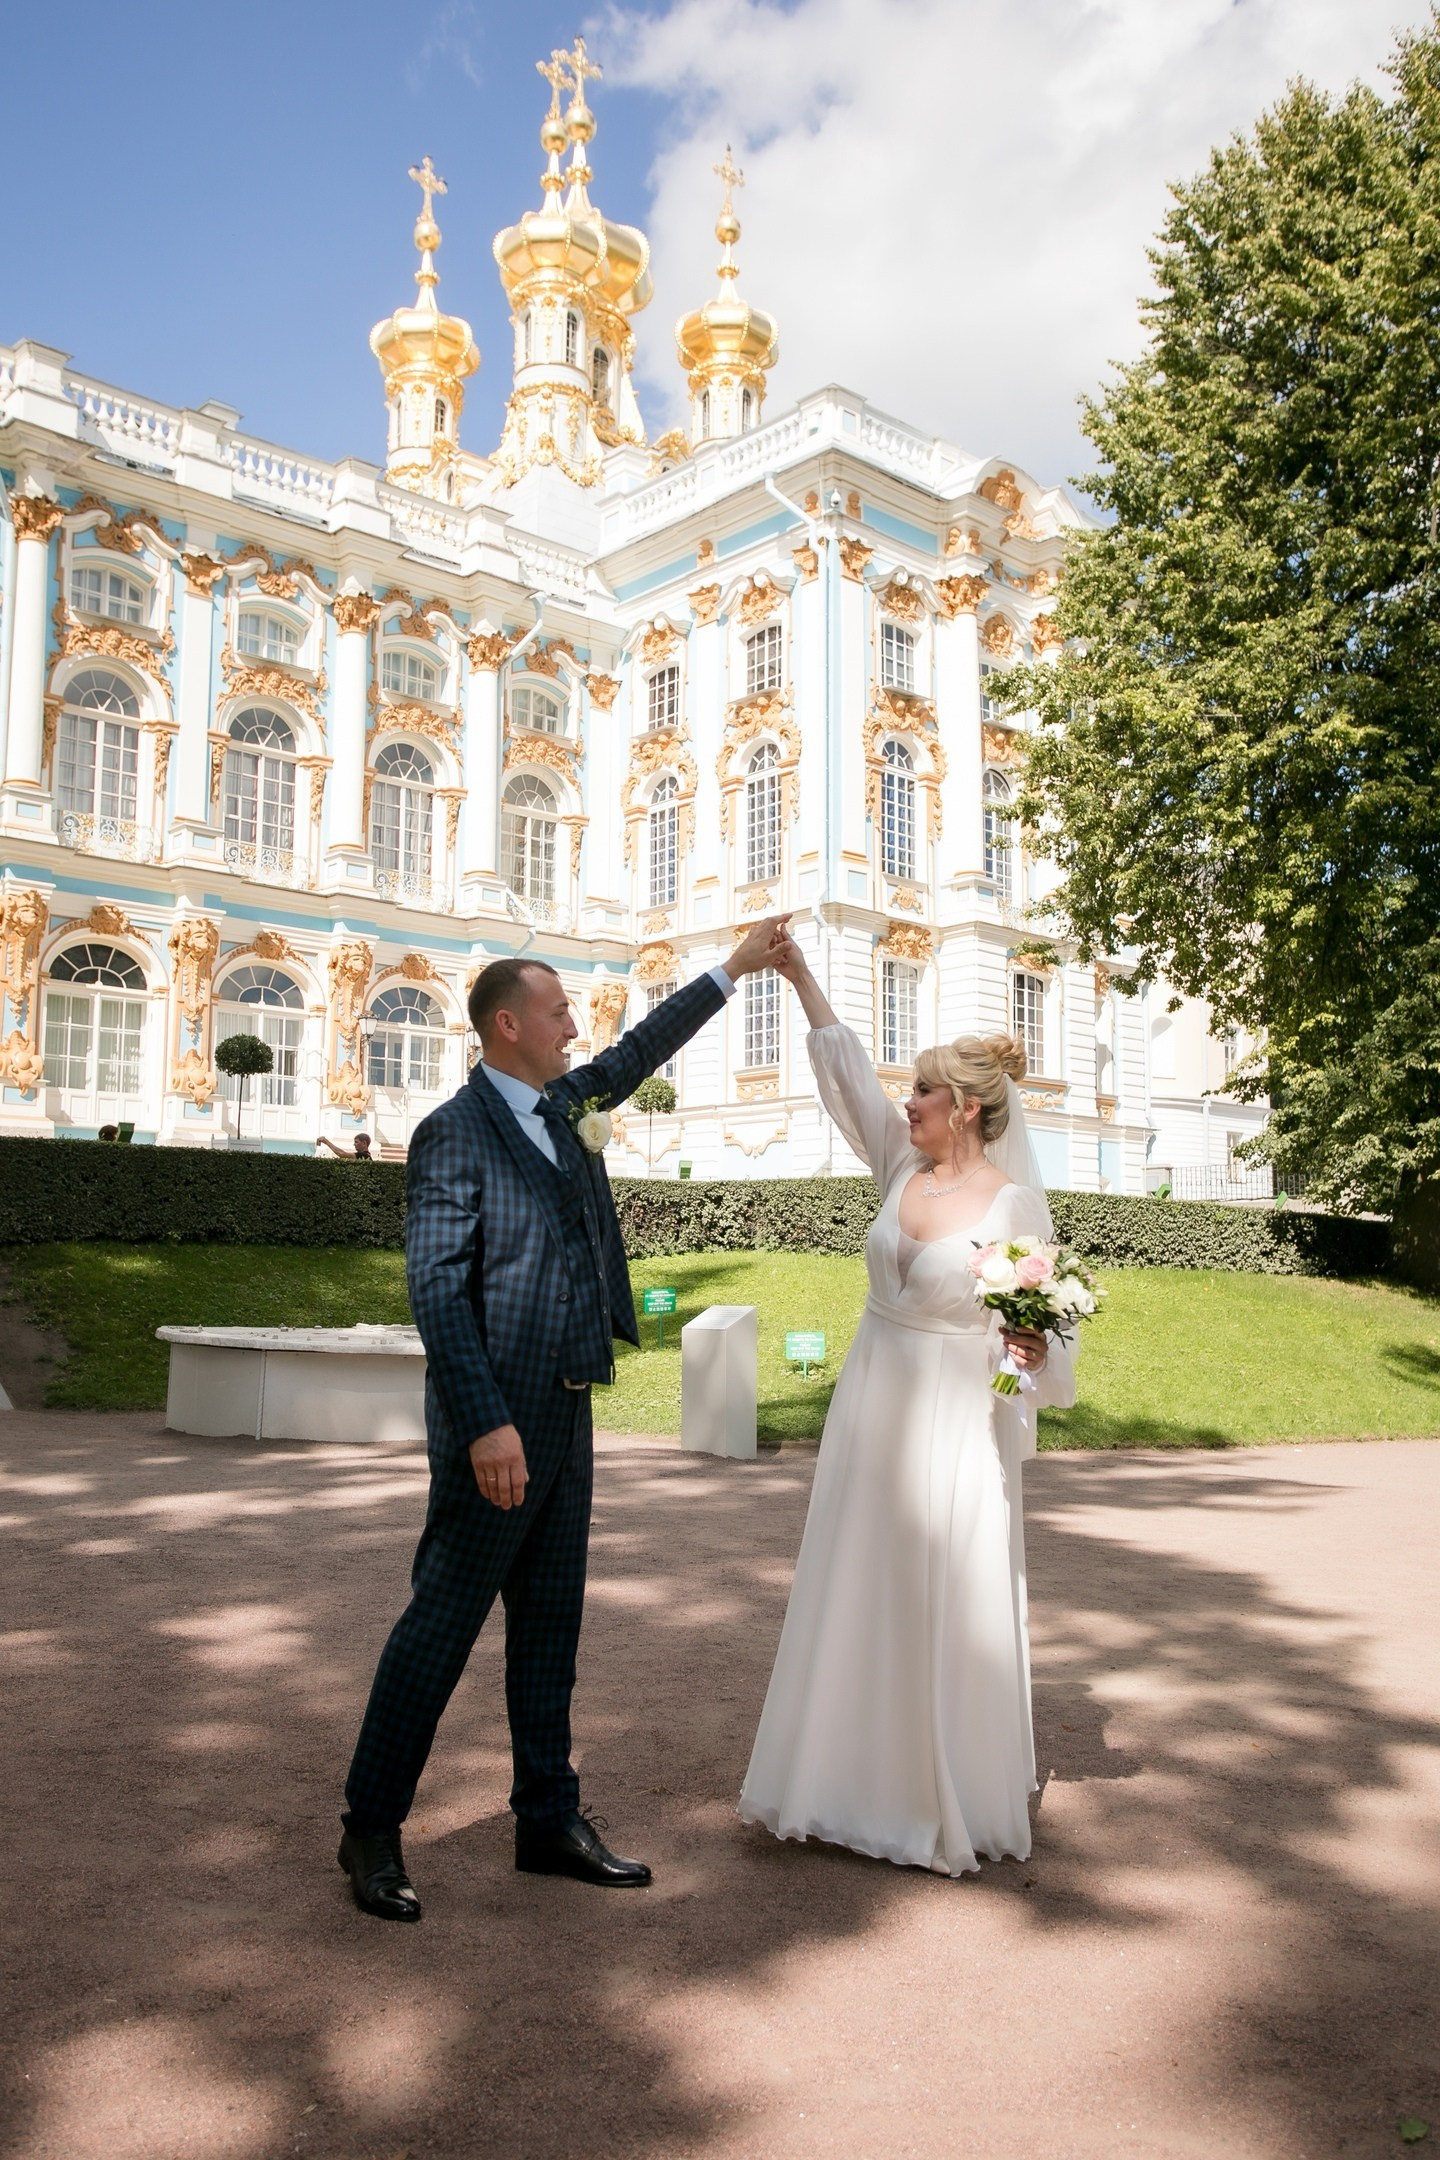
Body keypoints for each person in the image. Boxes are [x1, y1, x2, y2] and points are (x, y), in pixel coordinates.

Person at [339, 917, 791, 1921]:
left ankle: (547, 1818)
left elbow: (643, 1045)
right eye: (557, 1013)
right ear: (507, 1026)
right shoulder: (452, 1133)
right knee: (440, 1631)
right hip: (495, 1424)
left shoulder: (572, 1099)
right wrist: (483, 1422)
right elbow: (437, 1290)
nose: (576, 1027)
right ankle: (370, 1828)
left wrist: (735, 969)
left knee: (550, 1632)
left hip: (570, 1407)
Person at [738, 935, 1076, 1875]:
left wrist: (1029, 1355)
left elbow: (1042, 1341)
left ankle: (931, 1795)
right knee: (856, 1581)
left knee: (938, 1594)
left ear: (963, 1109)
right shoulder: (899, 1166)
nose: (908, 1103)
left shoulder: (1010, 1206)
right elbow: (848, 1077)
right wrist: (802, 977)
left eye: (923, 1093)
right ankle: (840, 1784)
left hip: (954, 1422)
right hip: (872, 1400)